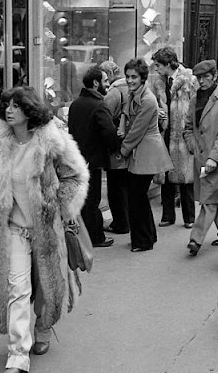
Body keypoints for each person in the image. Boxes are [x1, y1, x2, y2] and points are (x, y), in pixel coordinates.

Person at [0, 86, 89, 373]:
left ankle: (43, 326)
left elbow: (77, 176)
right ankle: (18, 355)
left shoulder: (51, 140)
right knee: (18, 288)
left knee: (45, 284)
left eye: (16, 105)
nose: (9, 110)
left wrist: (58, 206)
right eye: (7, 105)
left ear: (30, 110)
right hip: (14, 229)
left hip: (45, 227)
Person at [120, 58, 174, 252]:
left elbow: (137, 130)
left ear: (142, 78)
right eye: (127, 76)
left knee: (137, 197)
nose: (129, 80)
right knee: (139, 196)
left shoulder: (148, 99)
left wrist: (122, 149)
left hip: (147, 151)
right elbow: (127, 115)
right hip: (141, 150)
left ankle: (144, 241)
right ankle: (147, 235)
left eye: (134, 77)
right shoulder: (136, 93)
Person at [183, 60, 218, 256]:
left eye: (206, 77)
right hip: (200, 157)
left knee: (209, 201)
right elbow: (188, 127)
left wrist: (214, 157)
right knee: (213, 198)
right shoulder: (195, 99)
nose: (202, 81)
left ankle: (195, 240)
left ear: (214, 76)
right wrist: (192, 146)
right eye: (199, 78)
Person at [68, 65, 122, 247]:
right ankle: (95, 236)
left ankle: (84, 234)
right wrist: (116, 146)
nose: (108, 85)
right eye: (105, 81)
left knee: (84, 199)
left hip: (77, 158)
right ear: (96, 82)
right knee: (93, 199)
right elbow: (109, 132)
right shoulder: (99, 105)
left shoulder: (76, 104)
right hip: (93, 160)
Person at [151, 47, 199, 230]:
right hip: (165, 132)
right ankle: (168, 215)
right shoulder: (158, 83)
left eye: (158, 65)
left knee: (186, 178)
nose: (155, 69)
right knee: (166, 177)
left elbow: (196, 107)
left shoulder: (189, 80)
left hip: (182, 134)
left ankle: (189, 217)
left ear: (168, 64)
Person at [99, 60, 129, 234]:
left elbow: (105, 118)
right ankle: (128, 220)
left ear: (109, 75)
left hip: (117, 145)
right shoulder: (132, 88)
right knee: (126, 185)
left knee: (116, 187)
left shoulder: (114, 93)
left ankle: (120, 223)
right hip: (132, 144)